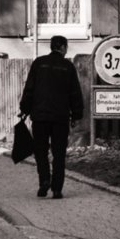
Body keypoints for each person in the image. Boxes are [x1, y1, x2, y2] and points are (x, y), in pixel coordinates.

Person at [19, 35, 84, 198]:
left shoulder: (39, 63)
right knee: (59, 153)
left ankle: (44, 181)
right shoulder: (68, 67)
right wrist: (77, 115)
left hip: (40, 116)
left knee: (40, 151)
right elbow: (75, 93)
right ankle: (57, 189)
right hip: (60, 117)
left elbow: (29, 89)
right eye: (66, 47)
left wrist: (24, 109)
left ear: (51, 47)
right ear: (63, 48)